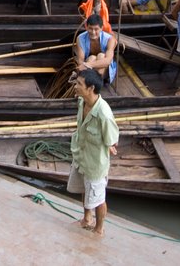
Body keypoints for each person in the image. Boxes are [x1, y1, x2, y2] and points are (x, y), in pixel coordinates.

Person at [67, 68, 119, 237]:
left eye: (79, 84)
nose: (76, 86)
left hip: (96, 163)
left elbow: (112, 139)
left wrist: (110, 146)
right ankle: (86, 219)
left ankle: (99, 228)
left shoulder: (104, 114)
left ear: (90, 89)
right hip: (81, 156)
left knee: (98, 198)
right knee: (84, 189)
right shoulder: (82, 102)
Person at [74, 14, 118, 85]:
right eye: (90, 28)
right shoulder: (80, 38)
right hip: (88, 69)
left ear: (101, 28)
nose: (93, 32)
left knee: (101, 56)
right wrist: (87, 65)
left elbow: (108, 61)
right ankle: (94, 84)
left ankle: (95, 84)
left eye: (96, 29)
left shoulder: (110, 39)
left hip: (104, 71)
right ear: (86, 27)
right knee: (92, 58)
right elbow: (80, 62)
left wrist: (88, 65)